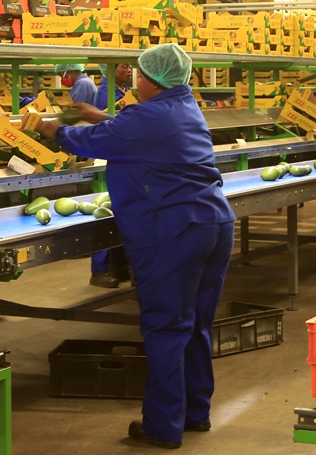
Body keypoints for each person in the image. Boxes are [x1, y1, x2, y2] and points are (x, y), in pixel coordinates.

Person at [33, 43, 235, 449]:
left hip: (174, 231)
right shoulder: (183, 106)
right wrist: (102, 117)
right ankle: (195, 414)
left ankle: (163, 428)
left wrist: (52, 129)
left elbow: (91, 143)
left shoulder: (148, 116)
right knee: (194, 325)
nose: (134, 81)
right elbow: (140, 134)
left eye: (138, 75)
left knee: (165, 328)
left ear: (149, 80)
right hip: (213, 223)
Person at [89, 62, 136, 288]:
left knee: (119, 215)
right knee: (104, 213)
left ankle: (118, 265)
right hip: (108, 159)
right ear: (109, 69)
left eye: (130, 67)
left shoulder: (122, 92)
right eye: (124, 67)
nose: (129, 71)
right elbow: (106, 126)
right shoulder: (105, 94)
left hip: (122, 158)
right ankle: (99, 270)